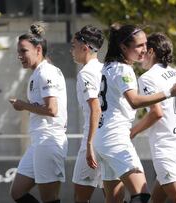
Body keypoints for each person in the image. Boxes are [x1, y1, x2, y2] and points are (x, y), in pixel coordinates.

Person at [87, 24, 176, 203]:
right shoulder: (123, 69)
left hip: (103, 139)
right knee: (141, 195)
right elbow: (134, 101)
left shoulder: (109, 66)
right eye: (139, 46)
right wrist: (169, 92)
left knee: (114, 199)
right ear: (123, 47)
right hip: (116, 139)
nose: (145, 50)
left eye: (145, 44)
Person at [130, 33, 176, 203]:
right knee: (156, 200)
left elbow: (156, 113)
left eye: (144, 50)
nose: (141, 55)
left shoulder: (147, 78)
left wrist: (132, 131)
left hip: (167, 150)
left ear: (151, 51)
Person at [9, 22, 68, 203]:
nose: (20, 55)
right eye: (18, 51)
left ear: (38, 49)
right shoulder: (38, 72)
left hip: (49, 140)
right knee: (17, 192)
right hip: (38, 142)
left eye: (24, 51)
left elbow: (52, 110)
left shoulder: (46, 72)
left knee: (49, 199)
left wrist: (23, 105)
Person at [70, 25, 124, 203]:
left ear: (84, 48)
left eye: (74, 46)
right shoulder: (106, 69)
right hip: (112, 138)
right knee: (113, 198)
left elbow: (95, 108)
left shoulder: (85, 73)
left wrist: (90, 144)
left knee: (80, 198)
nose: (72, 50)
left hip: (94, 139)